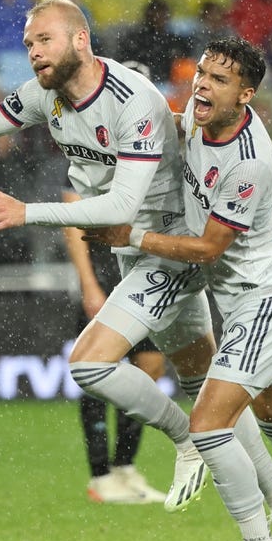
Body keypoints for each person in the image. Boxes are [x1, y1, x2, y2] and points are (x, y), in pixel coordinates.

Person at [0, 0, 272, 519]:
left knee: (90, 363)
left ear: (80, 40)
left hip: (166, 246)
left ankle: (186, 438)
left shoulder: (134, 101)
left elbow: (124, 207)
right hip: (131, 251)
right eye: (28, 44)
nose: (34, 53)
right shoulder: (46, 97)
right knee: (201, 381)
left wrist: (26, 212)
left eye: (44, 40)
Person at [83, 37, 272, 541]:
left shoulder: (249, 161)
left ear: (247, 95)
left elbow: (209, 249)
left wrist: (131, 234)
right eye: (202, 74)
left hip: (263, 302)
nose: (202, 85)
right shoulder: (192, 119)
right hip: (249, 298)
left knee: (209, 423)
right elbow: (152, 121)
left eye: (218, 79)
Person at [62, 188, 166, 504]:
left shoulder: (148, 152)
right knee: (96, 370)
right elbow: (72, 214)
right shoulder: (92, 148)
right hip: (105, 273)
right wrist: (89, 283)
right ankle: (100, 475)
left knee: (150, 368)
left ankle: (123, 466)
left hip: (142, 273)